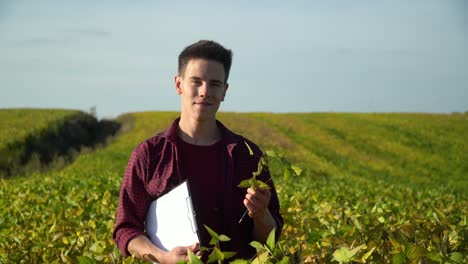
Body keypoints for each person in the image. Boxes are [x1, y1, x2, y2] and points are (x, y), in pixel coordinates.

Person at [113, 40, 283, 263]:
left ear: (224, 91)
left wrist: (261, 215)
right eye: (196, 82)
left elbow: (270, 238)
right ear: (178, 84)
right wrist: (162, 257)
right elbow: (126, 229)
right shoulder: (148, 155)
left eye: (214, 84)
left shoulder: (248, 156)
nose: (205, 92)